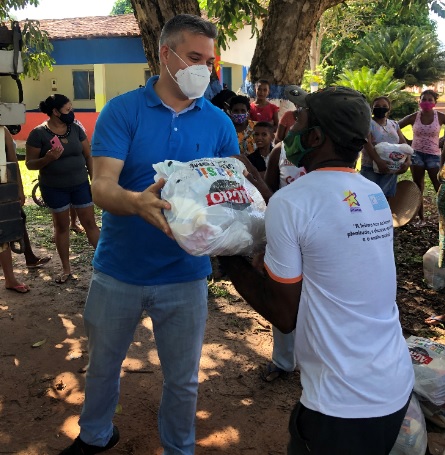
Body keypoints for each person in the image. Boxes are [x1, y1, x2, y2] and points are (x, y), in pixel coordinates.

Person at [58, 14, 239, 455]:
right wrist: (135, 202)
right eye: (194, 58)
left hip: (185, 275)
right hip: (119, 271)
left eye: (209, 61)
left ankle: (179, 448)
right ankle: (95, 436)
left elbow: (230, 191)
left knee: (183, 378)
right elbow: (101, 185)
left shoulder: (218, 123)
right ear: (166, 53)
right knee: (103, 366)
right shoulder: (123, 110)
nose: (204, 69)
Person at [218, 85, 414, 455]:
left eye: (299, 123)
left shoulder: (294, 201)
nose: (290, 131)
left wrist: (225, 256)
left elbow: (283, 314)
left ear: (316, 137)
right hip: (394, 384)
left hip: (343, 405)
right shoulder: (372, 194)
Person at [25, 94, 100, 284]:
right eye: (67, 110)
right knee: (62, 227)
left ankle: (104, 264)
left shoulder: (75, 129)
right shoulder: (38, 133)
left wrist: (93, 179)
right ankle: (66, 268)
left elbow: (88, 155)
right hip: (54, 188)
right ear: (55, 112)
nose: (71, 113)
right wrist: (47, 159)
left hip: (80, 184)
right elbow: (30, 164)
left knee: (90, 223)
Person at [399, 89, 445, 224]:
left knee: (439, 187)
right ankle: (421, 218)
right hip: (416, 155)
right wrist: (406, 142)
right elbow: (395, 127)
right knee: (418, 187)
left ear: (435, 102)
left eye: (430, 100)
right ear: (419, 101)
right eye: (423, 99)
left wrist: (442, 140)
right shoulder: (414, 117)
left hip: (434, 156)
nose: (426, 102)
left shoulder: (440, 116)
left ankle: (441, 218)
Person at [360, 96, 410, 198]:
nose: (380, 108)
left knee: (387, 197)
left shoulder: (394, 125)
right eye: (377, 106)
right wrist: (379, 162)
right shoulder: (368, 124)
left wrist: (408, 161)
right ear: (372, 108)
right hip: (371, 169)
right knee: (370, 198)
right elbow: (367, 144)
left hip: (391, 169)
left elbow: (404, 144)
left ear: (389, 109)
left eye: (384, 106)